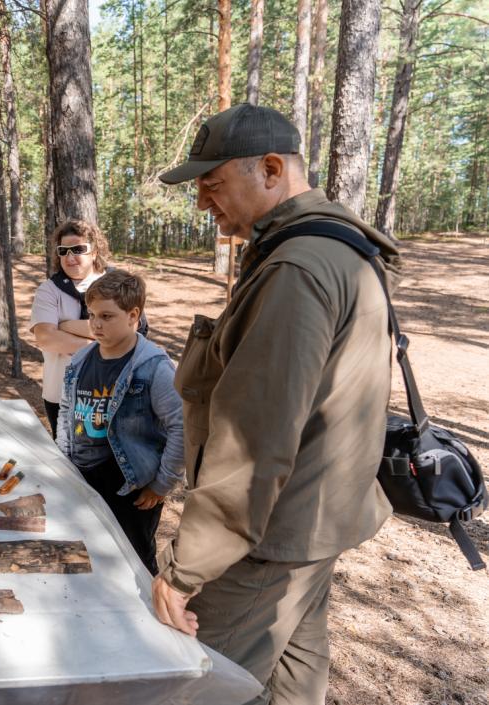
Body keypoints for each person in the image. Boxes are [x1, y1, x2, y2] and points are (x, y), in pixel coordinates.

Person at [150, 103, 401, 705]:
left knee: (196, 682)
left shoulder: (297, 266)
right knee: (293, 680)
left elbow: (254, 439)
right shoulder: (335, 247)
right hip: (317, 520)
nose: (203, 203)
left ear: (268, 169)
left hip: (267, 537)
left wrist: (186, 571)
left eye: (212, 184)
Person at [55, 269, 184, 574]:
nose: (96, 324)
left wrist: (162, 484)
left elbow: (182, 427)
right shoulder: (80, 360)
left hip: (132, 488)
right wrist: (62, 460)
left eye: (107, 316)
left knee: (134, 560)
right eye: (92, 315)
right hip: (84, 477)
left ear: (133, 315)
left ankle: (147, 618)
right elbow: (65, 410)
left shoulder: (154, 367)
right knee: (90, 555)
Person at [30, 219, 146, 438]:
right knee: (67, 461)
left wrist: (65, 326)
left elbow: (132, 330)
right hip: (62, 394)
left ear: (94, 252)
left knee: (112, 457)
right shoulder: (49, 290)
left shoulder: (117, 284)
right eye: (63, 251)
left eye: (78, 249)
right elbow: (46, 338)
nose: (70, 257)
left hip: (112, 391)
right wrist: (104, 346)